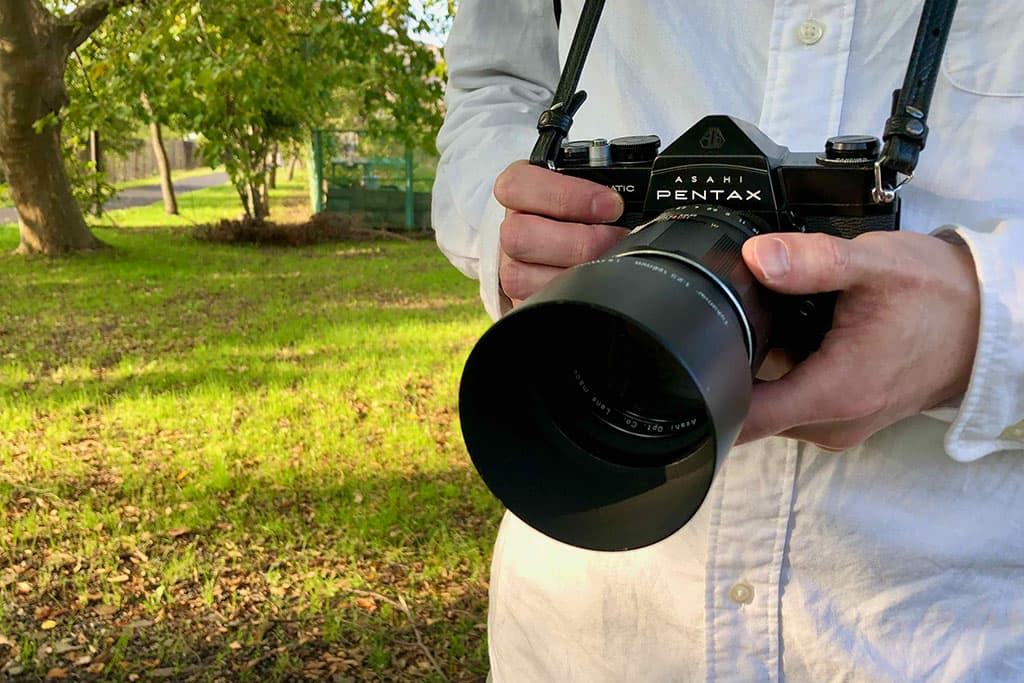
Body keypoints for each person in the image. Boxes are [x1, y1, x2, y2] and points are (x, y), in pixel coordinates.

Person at [433, 2, 1024, 680]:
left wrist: (987, 320)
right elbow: (493, 87)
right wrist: (513, 229)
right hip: (591, 624)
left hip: (948, 632)